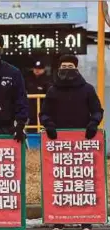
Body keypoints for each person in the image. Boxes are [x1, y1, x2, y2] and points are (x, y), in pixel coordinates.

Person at [39, 54, 103, 230]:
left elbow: (97, 110)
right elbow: (44, 114)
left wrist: (93, 124)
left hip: (83, 145)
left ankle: (86, 221)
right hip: (58, 144)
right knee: (60, 181)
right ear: (59, 69)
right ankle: (59, 219)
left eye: (70, 66)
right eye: (64, 66)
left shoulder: (88, 89)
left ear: (76, 68)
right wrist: (49, 125)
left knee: (82, 181)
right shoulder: (52, 90)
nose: (67, 69)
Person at [24, 60, 52, 133]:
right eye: (35, 68)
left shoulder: (48, 80)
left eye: (39, 69)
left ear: (43, 69)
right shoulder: (28, 79)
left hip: (42, 109)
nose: (37, 70)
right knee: (30, 129)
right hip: (30, 109)